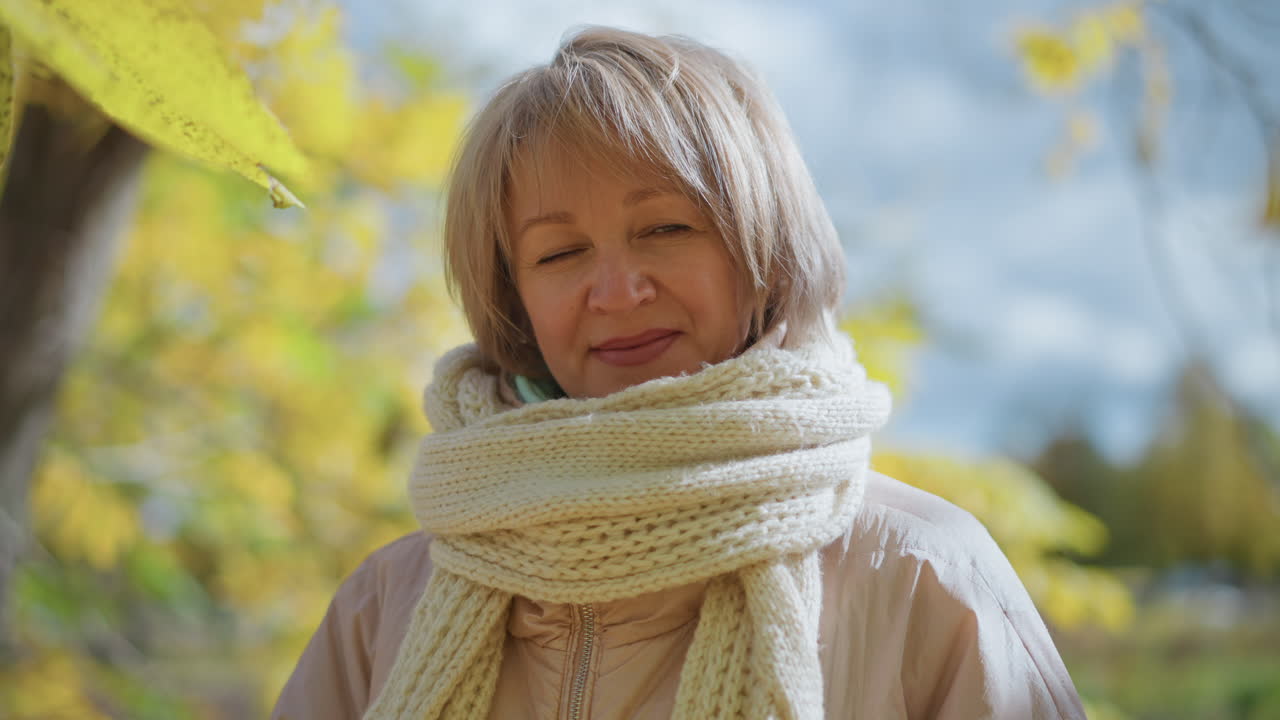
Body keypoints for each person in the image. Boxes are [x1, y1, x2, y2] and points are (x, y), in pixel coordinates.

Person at [273, 26, 1087, 720]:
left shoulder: (920, 574)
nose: (618, 291)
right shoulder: (386, 604)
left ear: (763, 253)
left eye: (664, 227)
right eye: (560, 253)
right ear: (513, 297)